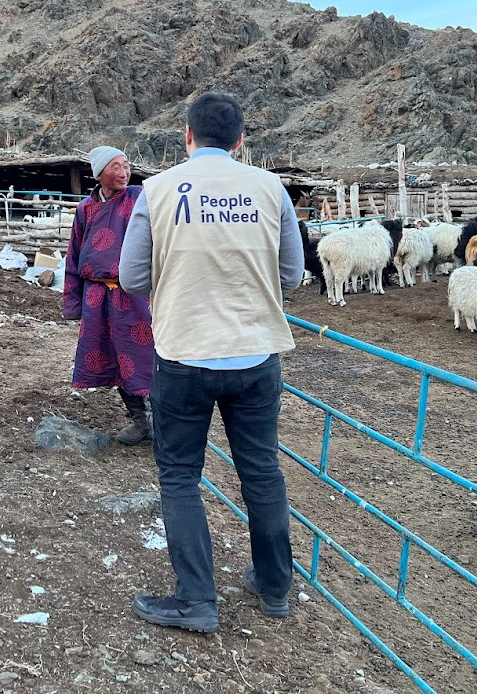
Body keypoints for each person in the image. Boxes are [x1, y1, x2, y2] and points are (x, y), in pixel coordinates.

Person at [119, 91, 304, 632]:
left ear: (187, 135)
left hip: (184, 353)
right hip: (256, 354)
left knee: (179, 476)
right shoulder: (271, 189)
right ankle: (274, 588)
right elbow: (291, 276)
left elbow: (132, 278)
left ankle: (197, 599)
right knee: (262, 471)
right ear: (241, 140)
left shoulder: (155, 190)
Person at [62, 146, 155, 444]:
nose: (123, 172)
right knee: (114, 356)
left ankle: (163, 421)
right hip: (96, 297)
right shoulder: (85, 209)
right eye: (115, 166)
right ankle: (140, 421)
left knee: (144, 353)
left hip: (135, 292)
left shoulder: (141, 199)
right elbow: (73, 257)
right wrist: (73, 302)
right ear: (99, 173)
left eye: (125, 165)